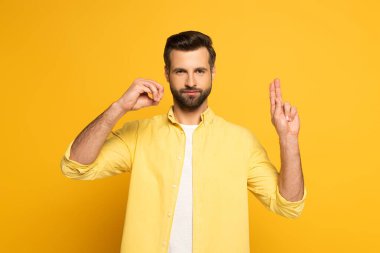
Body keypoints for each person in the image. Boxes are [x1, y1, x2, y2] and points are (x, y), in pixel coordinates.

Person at [60, 30, 307, 253]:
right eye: (181, 71)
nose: (191, 82)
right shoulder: (139, 134)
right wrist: (118, 108)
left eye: (199, 71)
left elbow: (288, 205)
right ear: (167, 73)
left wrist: (288, 139)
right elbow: (75, 166)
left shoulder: (241, 142)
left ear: (213, 72)